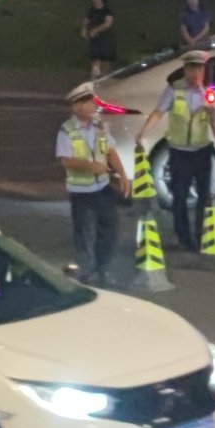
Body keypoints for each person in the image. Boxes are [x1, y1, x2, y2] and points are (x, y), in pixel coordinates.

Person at [139, 60, 215, 253]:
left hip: (202, 150)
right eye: (192, 69)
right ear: (185, 70)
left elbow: (214, 124)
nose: (196, 74)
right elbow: (158, 112)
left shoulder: (208, 93)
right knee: (180, 196)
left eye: (200, 69)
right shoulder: (174, 91)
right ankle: (184, 238)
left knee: (204, 196)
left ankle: (201, 236)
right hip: (179, 152)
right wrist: (143, 132)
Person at [55, 90, 129, 284]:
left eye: (92, 102)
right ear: (76, 107)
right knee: (84, 234)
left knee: (109, 230)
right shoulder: (67, 130)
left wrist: (123, 175)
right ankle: (86, 274)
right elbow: (65, 160)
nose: (93, 106)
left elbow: (110, 151)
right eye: (88, 103)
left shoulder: (99, 126)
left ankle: (103, 270)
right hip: (81, 192)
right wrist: (91, 166)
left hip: (103, 187)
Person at [81, 0, 117, 75]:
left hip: (105, 40)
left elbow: (107, 24)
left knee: (105, 62)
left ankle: (106, 77)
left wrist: (96, 30)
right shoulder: (92, 10)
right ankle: (95, 77)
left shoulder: (107, 10)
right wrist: (84, 29)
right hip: (94, 40)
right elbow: (86, 21)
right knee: (95, 61)